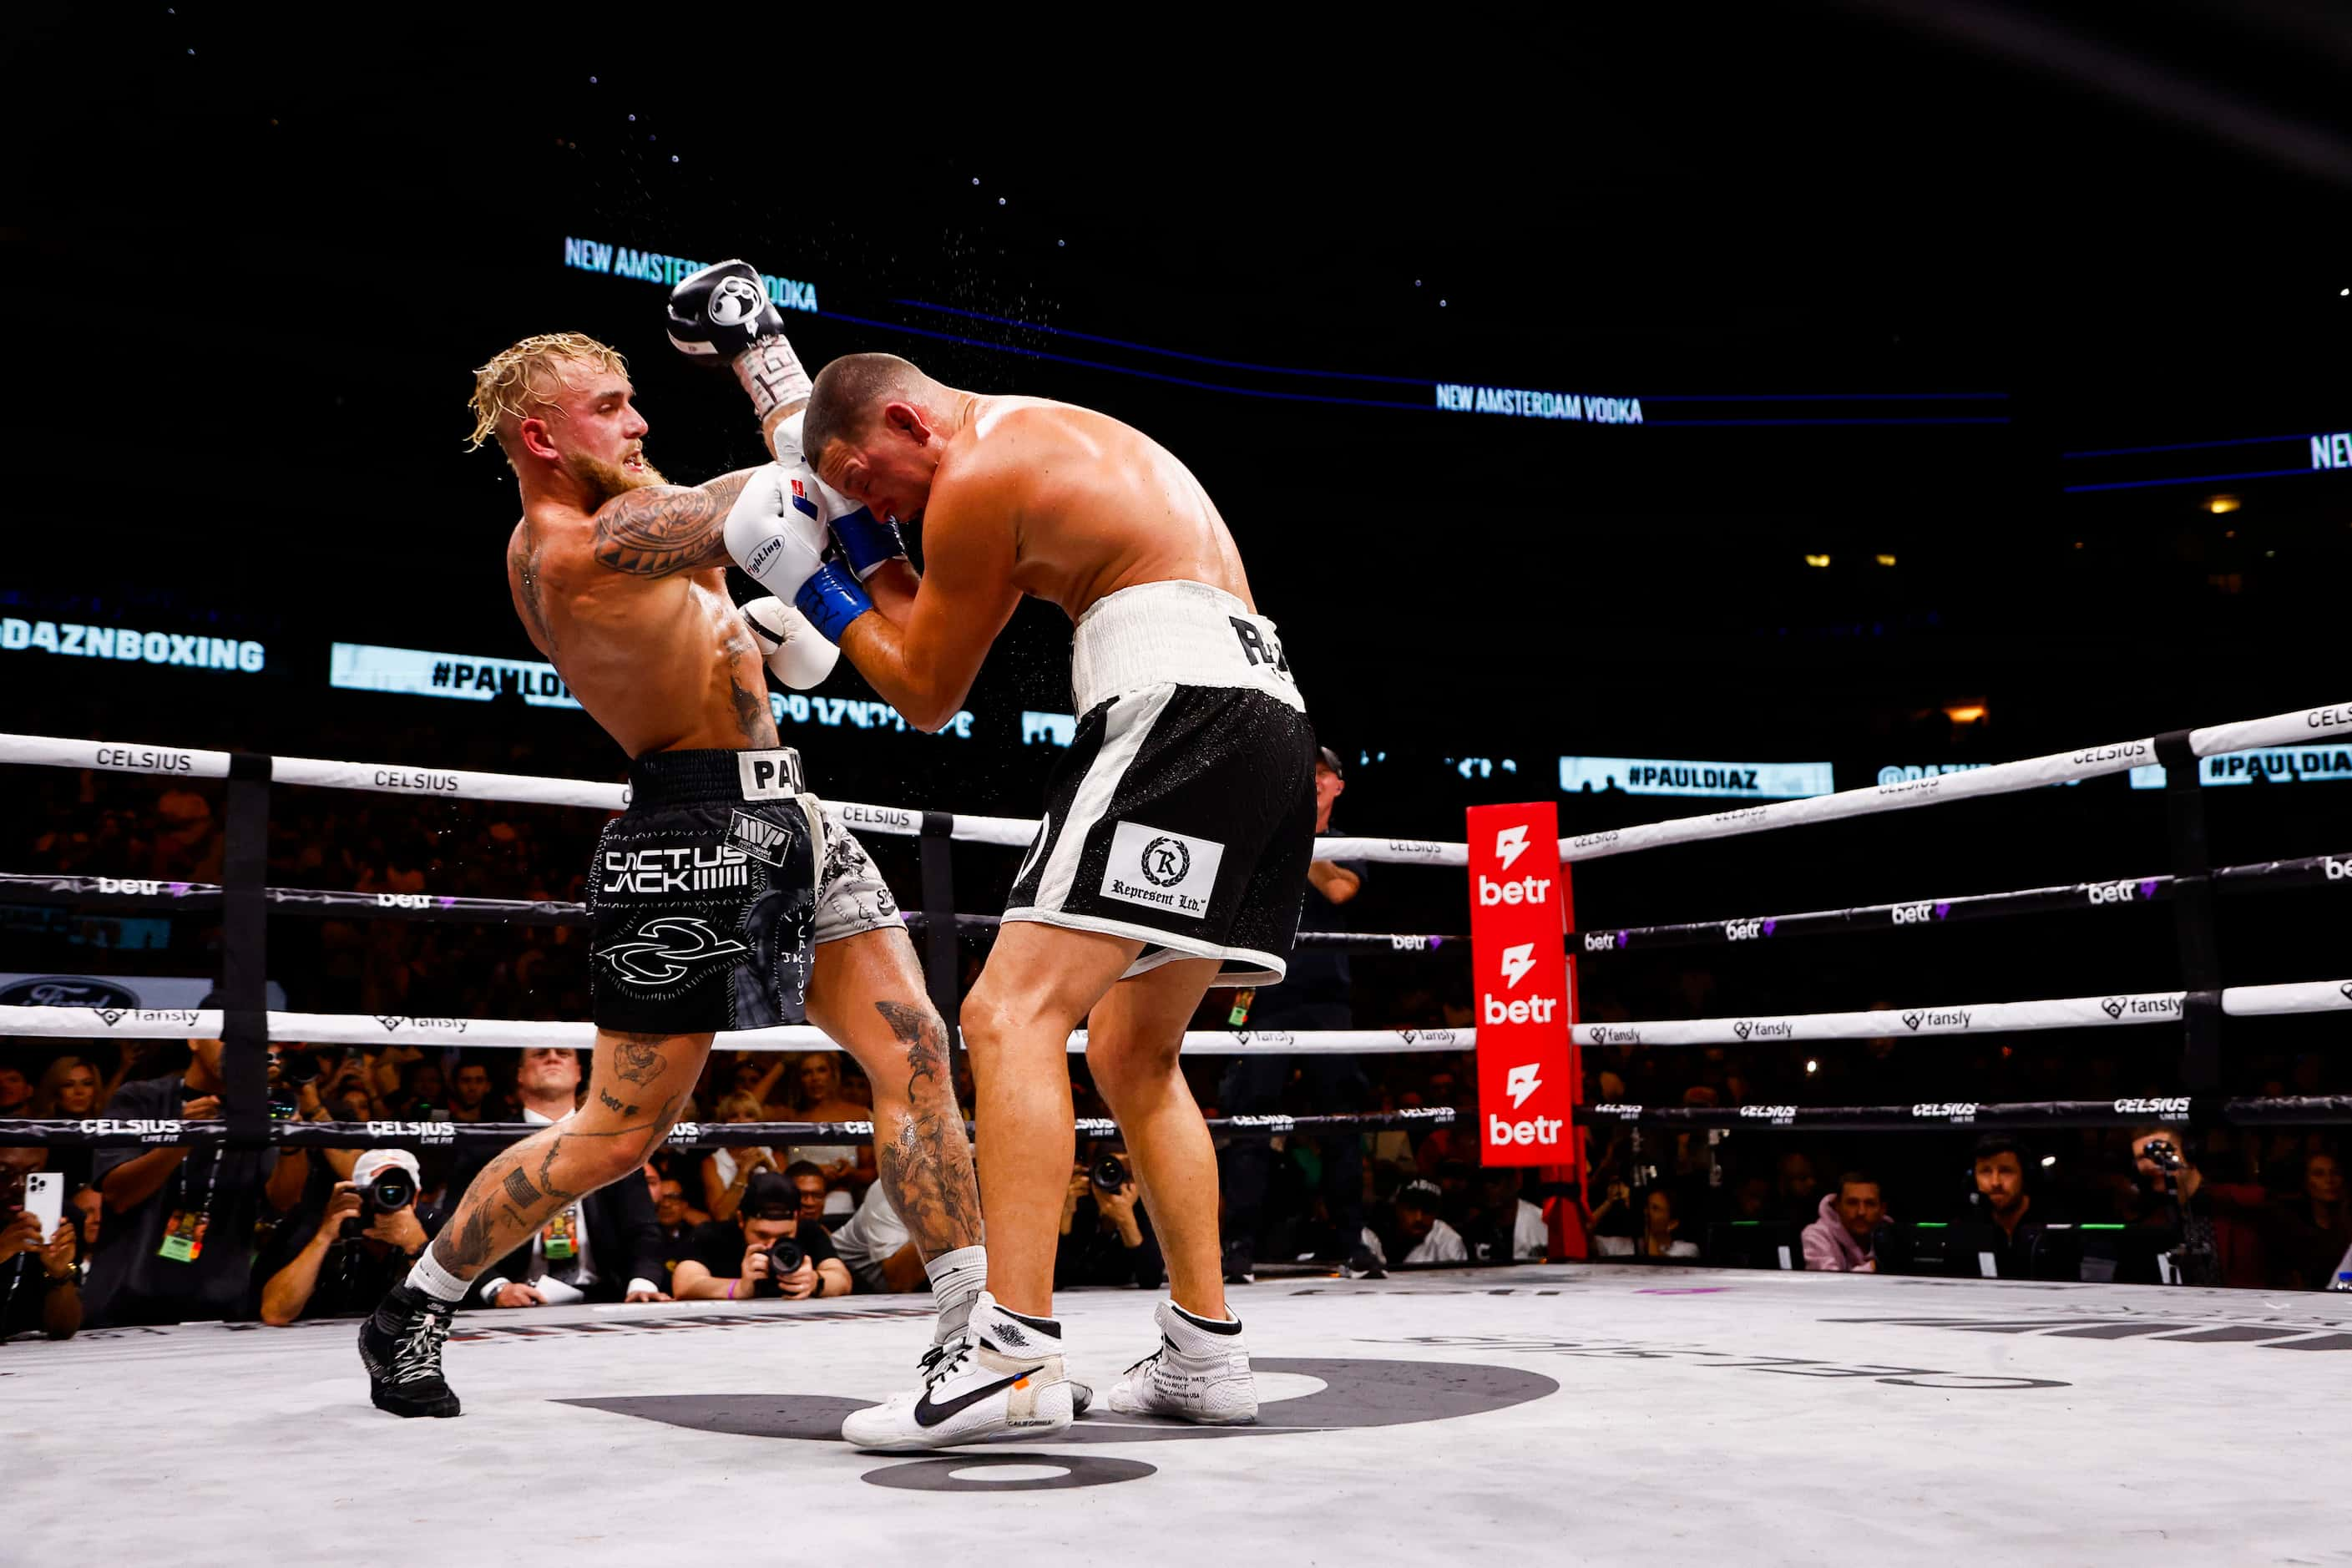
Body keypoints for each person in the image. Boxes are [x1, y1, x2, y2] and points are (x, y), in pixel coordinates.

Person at [357, 326, 984, 1420]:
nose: (639, 419)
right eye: (610, 405)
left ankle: (969, 1337)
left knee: (918, 1046)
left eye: (634, 397)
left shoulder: (639, 510)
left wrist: (753, 630)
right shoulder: (570, 544)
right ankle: (418, 1298)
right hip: (684, 832)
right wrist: (762, 355)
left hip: (785, 802)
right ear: (541, 434)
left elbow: (728, 582)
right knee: (621, 1129)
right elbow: (774, 501)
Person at [787, 348, 1318, 1447]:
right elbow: (901, 559)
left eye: (874, 483)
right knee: (1133, 1053)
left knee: (1005, 1013)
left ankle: (1010, 1352)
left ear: (902, 419)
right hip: (1267, 711)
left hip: (1179, 710)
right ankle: (1205, 1352)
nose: (880, 510)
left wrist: (815, 583)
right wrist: (787, 415)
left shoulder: (974, 476)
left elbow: (926, 688)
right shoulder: (1027, 435)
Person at [1218, 746, 1370, 1281]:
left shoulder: (1349, 846)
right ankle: (1237, 1246)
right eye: (1303, 774)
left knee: (1341, 1121)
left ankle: (1353, 1243)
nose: (1311, 781)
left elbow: (1338, 887)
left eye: (1321, 774)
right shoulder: (1264, 837)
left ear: (1337, 786)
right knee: (1252, 1121)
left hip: (1327, 999)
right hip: (1264, 993)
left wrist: (1297, 833)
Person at [86, 1016, 311, 1326]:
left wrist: (291, 1141)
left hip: (219, 1304)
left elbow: (282, 1200)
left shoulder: (258, 1111)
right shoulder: (139, 1098)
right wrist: (181, 1138)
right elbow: (118, 1194)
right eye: (224, 1038)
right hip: (127, 1301)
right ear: (193, 1040)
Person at [460, 1047, 669, 1310]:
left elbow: (643, 1228)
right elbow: (455, 1229)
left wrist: (642, 1285)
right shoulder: (487, 1146)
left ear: (579, 1073)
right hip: (513, 1297)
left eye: (563, 1053)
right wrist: (496, 1287)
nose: (552, 1057)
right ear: (520, 1075)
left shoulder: (614, 1145)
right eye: (540, 1054)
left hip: (603, 1298)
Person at [257, 1152, 434, 1325]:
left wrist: (418, 1247)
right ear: (357, 1192)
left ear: (415, 1197)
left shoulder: (432, 1225)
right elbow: (275, 1313)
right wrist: (324, 1237)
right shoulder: (322, 1222)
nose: (388, 1197)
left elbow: (450, 1307)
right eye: (379, 1188)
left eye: (398, 1190)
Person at [669, 1169, 850, 1302]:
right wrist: (737, 1289)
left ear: (796, 1219)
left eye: (784, 1235)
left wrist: (815, 1281)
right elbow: (684, 1283)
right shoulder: (714, 1235)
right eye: (762, 1235)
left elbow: (842, 1279)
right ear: (741, 1220)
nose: (772, 1244)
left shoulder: (809, 1232)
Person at [2126, 1128, 2266, 1288]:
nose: (2151, 1164)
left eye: (2160, 1152)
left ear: (2190, 1152)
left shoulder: (2247, 1202)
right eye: (2142, 1158)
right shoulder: (2153, 1224)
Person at [0, 1147, 80, 1343]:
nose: (18, 1184)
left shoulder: (62, 1218)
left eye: (32, 1174)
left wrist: (59, 1274)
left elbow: (62, 1330)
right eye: (4, 1173)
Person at [1057, 1151, 1165, 1290]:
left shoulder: (1145, 1206)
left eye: (1127, 1174)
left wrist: (1127, 1221)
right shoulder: (1078, 1199)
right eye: (1106, 1172)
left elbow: (1151, 1280)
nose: (1115, 1181)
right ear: (1092, 1172)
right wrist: (1066, 1212)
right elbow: (1054, 1279)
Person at [2268, 1149, 2348, 1292]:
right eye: (2319, 1174)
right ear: (2305, 1182)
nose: (2329, 1180)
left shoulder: (2347, 1226)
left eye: (2335, 1173)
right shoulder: (2292, 1228)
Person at [701, 1090, 782, 1223]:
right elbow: (722, 1216)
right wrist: (743, 1171)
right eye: (734, 1116)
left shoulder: (775, 1156)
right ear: (724, 1122)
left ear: (758, 1120)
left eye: (749, 1115)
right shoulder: (711, 1162)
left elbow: (788, 1201)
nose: (741, 1122)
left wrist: (770, 1167)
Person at [1360, 1179, 1469, 1269]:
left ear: (1436, 1213)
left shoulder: (1448, 1241)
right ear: (1398, 1209)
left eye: (1427, 1210)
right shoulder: (1370, 1235)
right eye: (1411, 1209)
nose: (1419, 1218)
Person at [1802, 1172, 1889, 1272]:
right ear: (1837, 1205)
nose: (1861, 1212)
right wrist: (1875, 1266)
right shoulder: (1816, 1236)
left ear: (1882, 1209)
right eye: (1852, 1203)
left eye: (1870, 1204)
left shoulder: (1892, 1235)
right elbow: (1828, 1285)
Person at [1596, 1188, 1699, 1260]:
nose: (1646, 1211)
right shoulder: (1621, 1244)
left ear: (1672, 1223)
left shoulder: (1687, 1250)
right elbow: (1583, 1235)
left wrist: (1648, 1228)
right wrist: (1608, 1202)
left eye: (1655, 1208)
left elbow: (1657, 1267)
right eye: (1646, 1207)